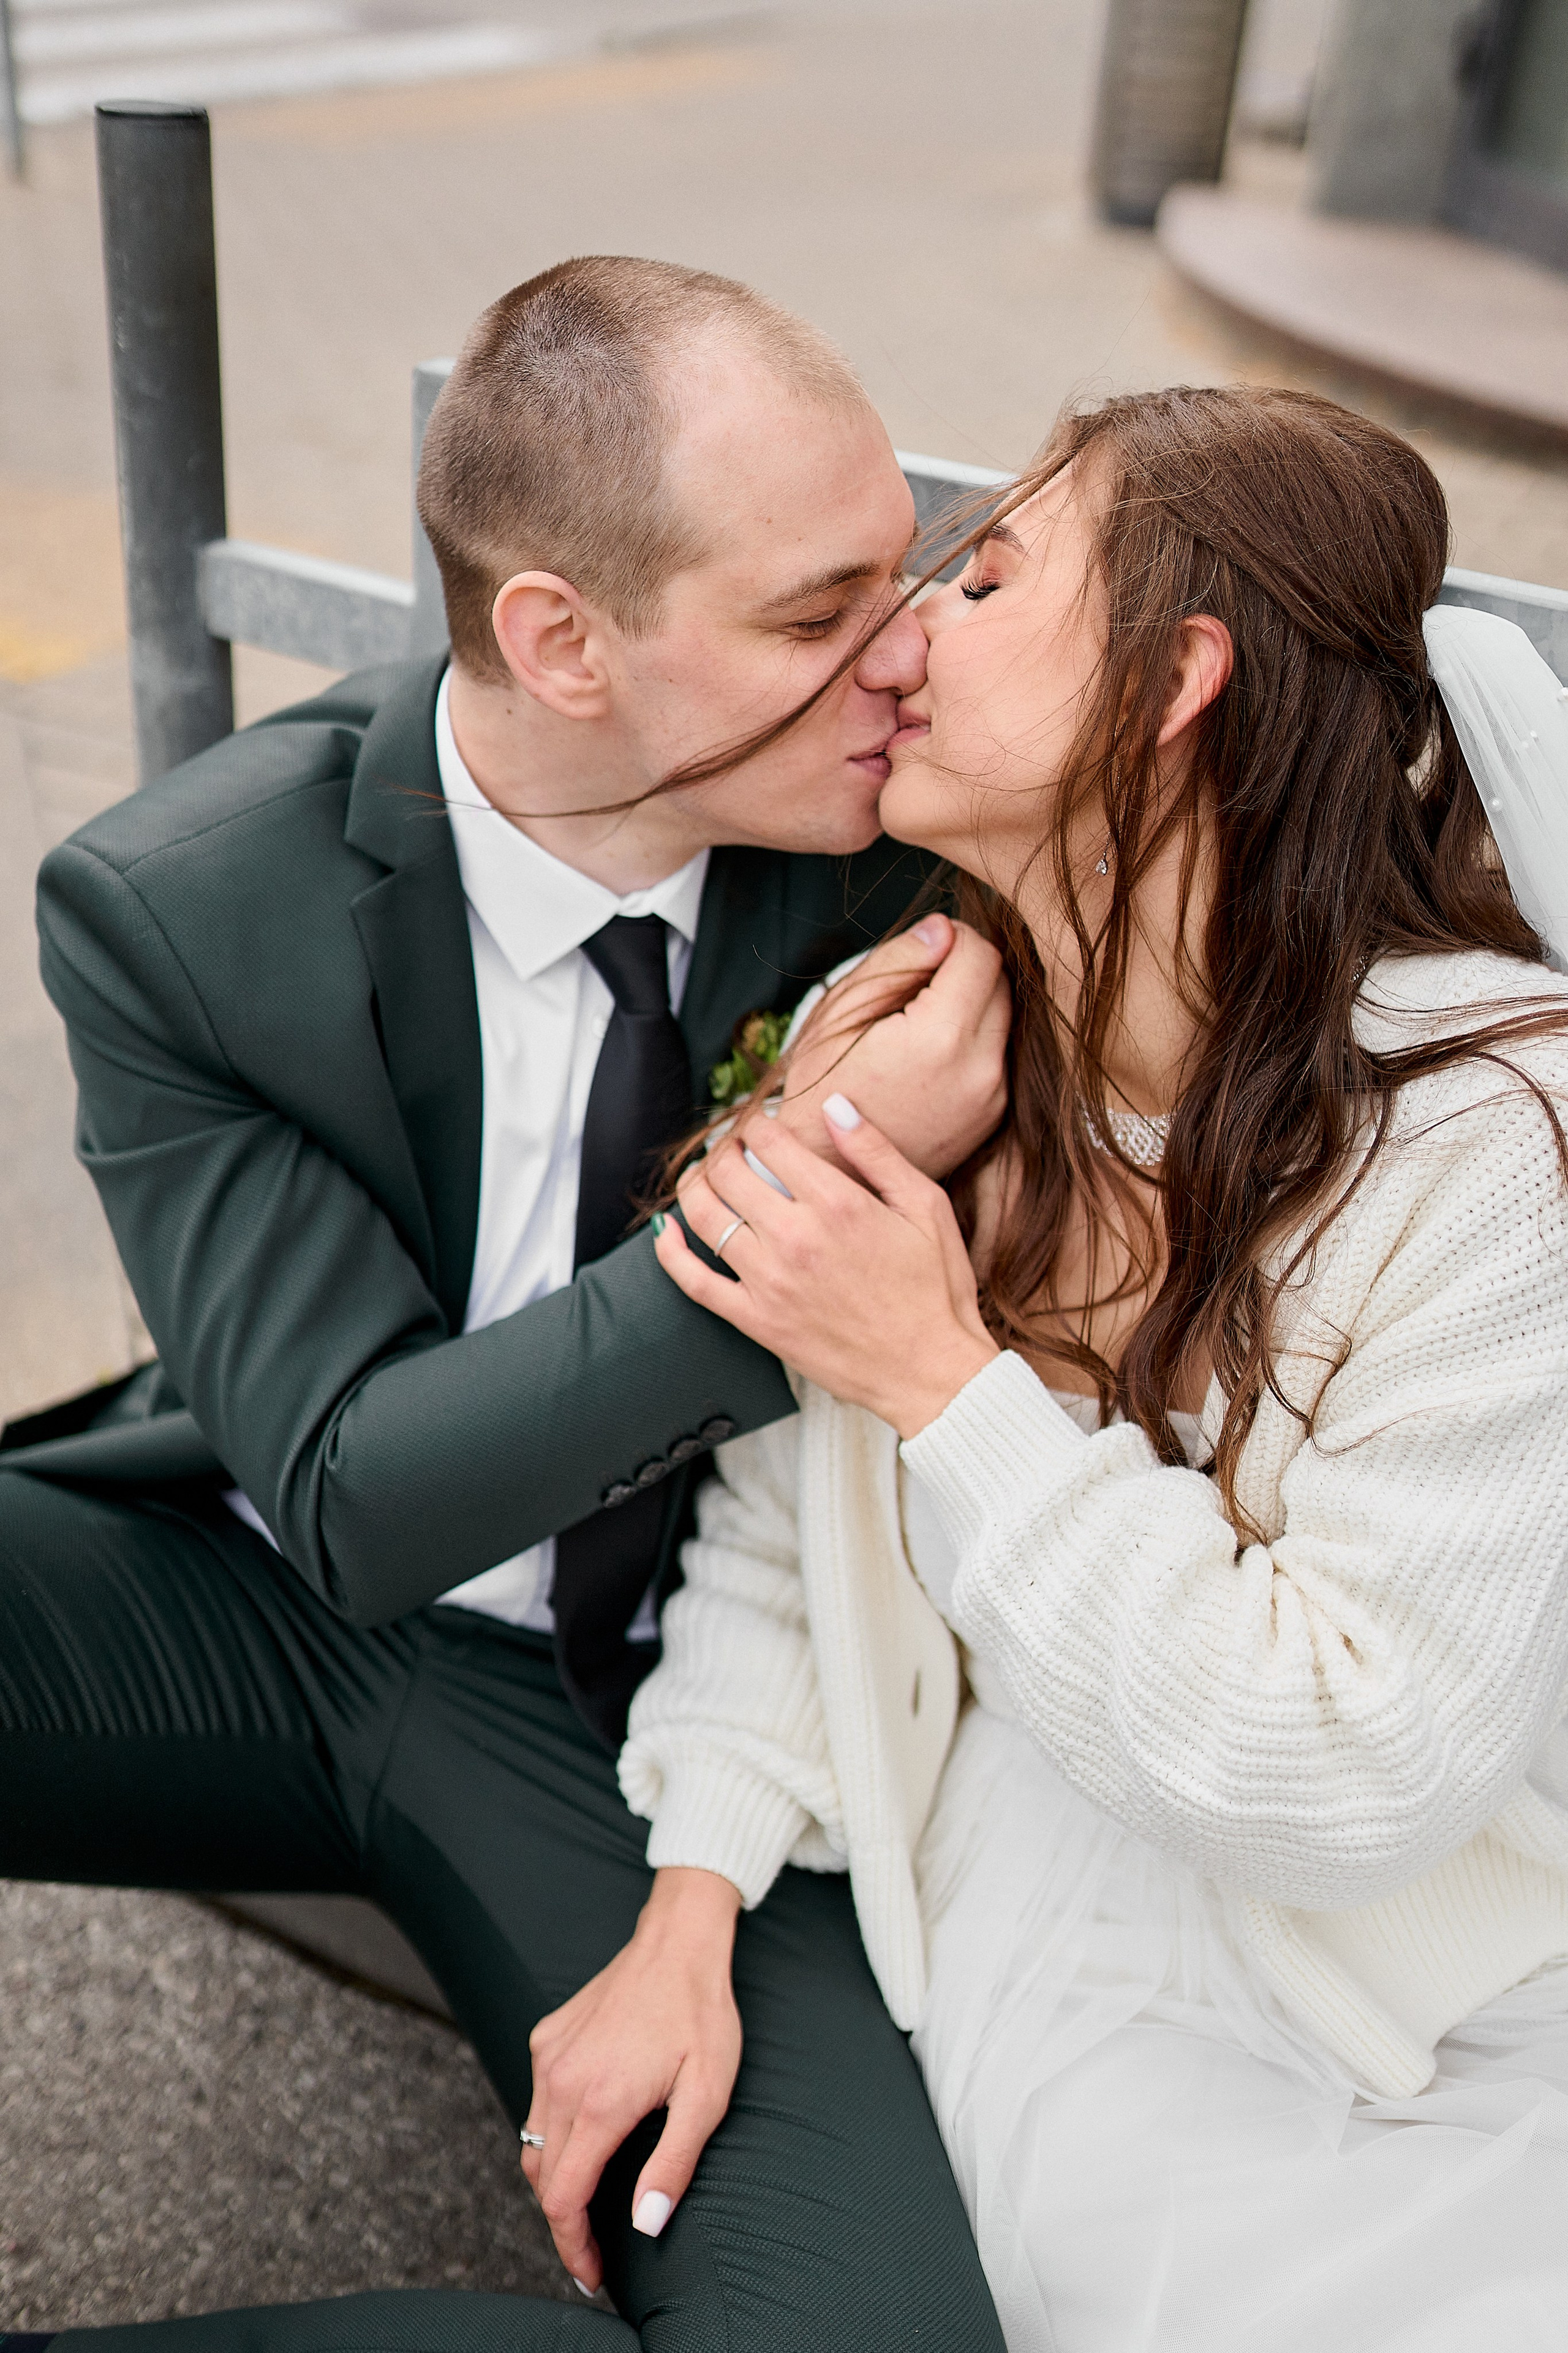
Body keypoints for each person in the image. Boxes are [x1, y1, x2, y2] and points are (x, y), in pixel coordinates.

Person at [0, 259, 1011, 2352]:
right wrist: (804, 1203)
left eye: (901, 578)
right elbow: (358, 1494)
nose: (904, 661)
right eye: (816, 618)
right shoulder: (180, 908)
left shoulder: (917, 861)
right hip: (260, 1596)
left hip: (684, 1725)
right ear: (559, 641)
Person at [598, 386, 1568, 2350]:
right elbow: (793, 1537)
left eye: (988, 572)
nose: (904, 635)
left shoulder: (1493, 1149)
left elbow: (1356, 1755)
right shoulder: (921, 1052)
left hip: (1413, 1990)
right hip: (1017, 1923)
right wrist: (686, 1899)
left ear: (1171, 683)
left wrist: (949, 1380)